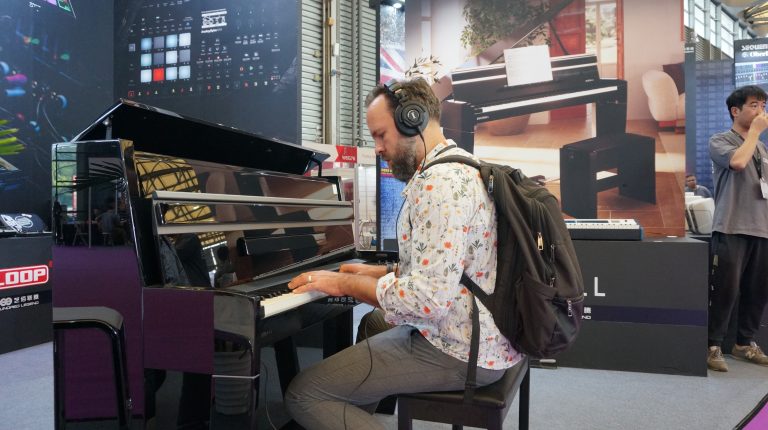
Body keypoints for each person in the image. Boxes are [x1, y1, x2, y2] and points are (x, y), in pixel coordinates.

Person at [283, 78, 520, 429]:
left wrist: (342, 284)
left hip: (463, 349)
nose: (378, 148)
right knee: (372, 324)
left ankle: (331, 411)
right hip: (480, 331)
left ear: (413, 119)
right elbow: (446, 268)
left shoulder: (439, 185)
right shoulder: (460, 166)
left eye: (381, 135)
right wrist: (378, 274)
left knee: (305, 394)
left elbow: (426, 301)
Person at [707, 85, 768, 372]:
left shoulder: (763, 149)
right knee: (725, 290)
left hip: (762, 229)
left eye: (763, 106)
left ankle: (744, 343)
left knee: (757, 292)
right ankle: (713, 345)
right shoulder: (720, 140)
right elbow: (738, 162)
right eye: (754, 105)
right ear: (735, 110)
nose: (760, 111)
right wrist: (755, 132)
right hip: (731, 226)